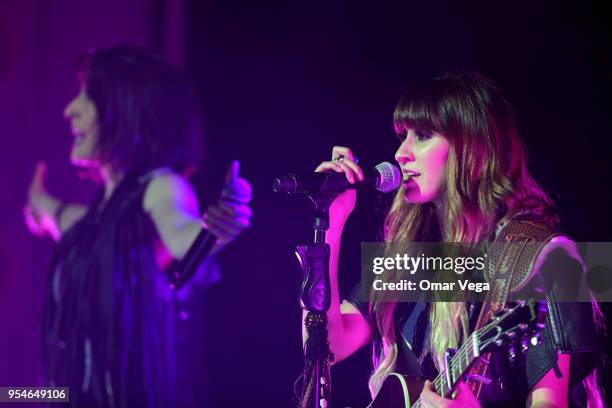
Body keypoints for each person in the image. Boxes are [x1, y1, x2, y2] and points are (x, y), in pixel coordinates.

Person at [312, 73, 603, 407]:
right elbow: (327, 346)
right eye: (403, 136)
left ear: (472, 147)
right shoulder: (409, 255)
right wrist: (332, 225)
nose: (401, 153)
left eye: (422, 135)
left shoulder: (544, 258)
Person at [23, 45, 252, 407]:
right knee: (13, 394)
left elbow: (183, 238)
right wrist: (39, 203)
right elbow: (63, 217)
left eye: (90, 97)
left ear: (130, 109)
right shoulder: (98, 218)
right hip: (60, 397)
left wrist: (216, 226)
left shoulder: (162, 187)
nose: (70, 110)